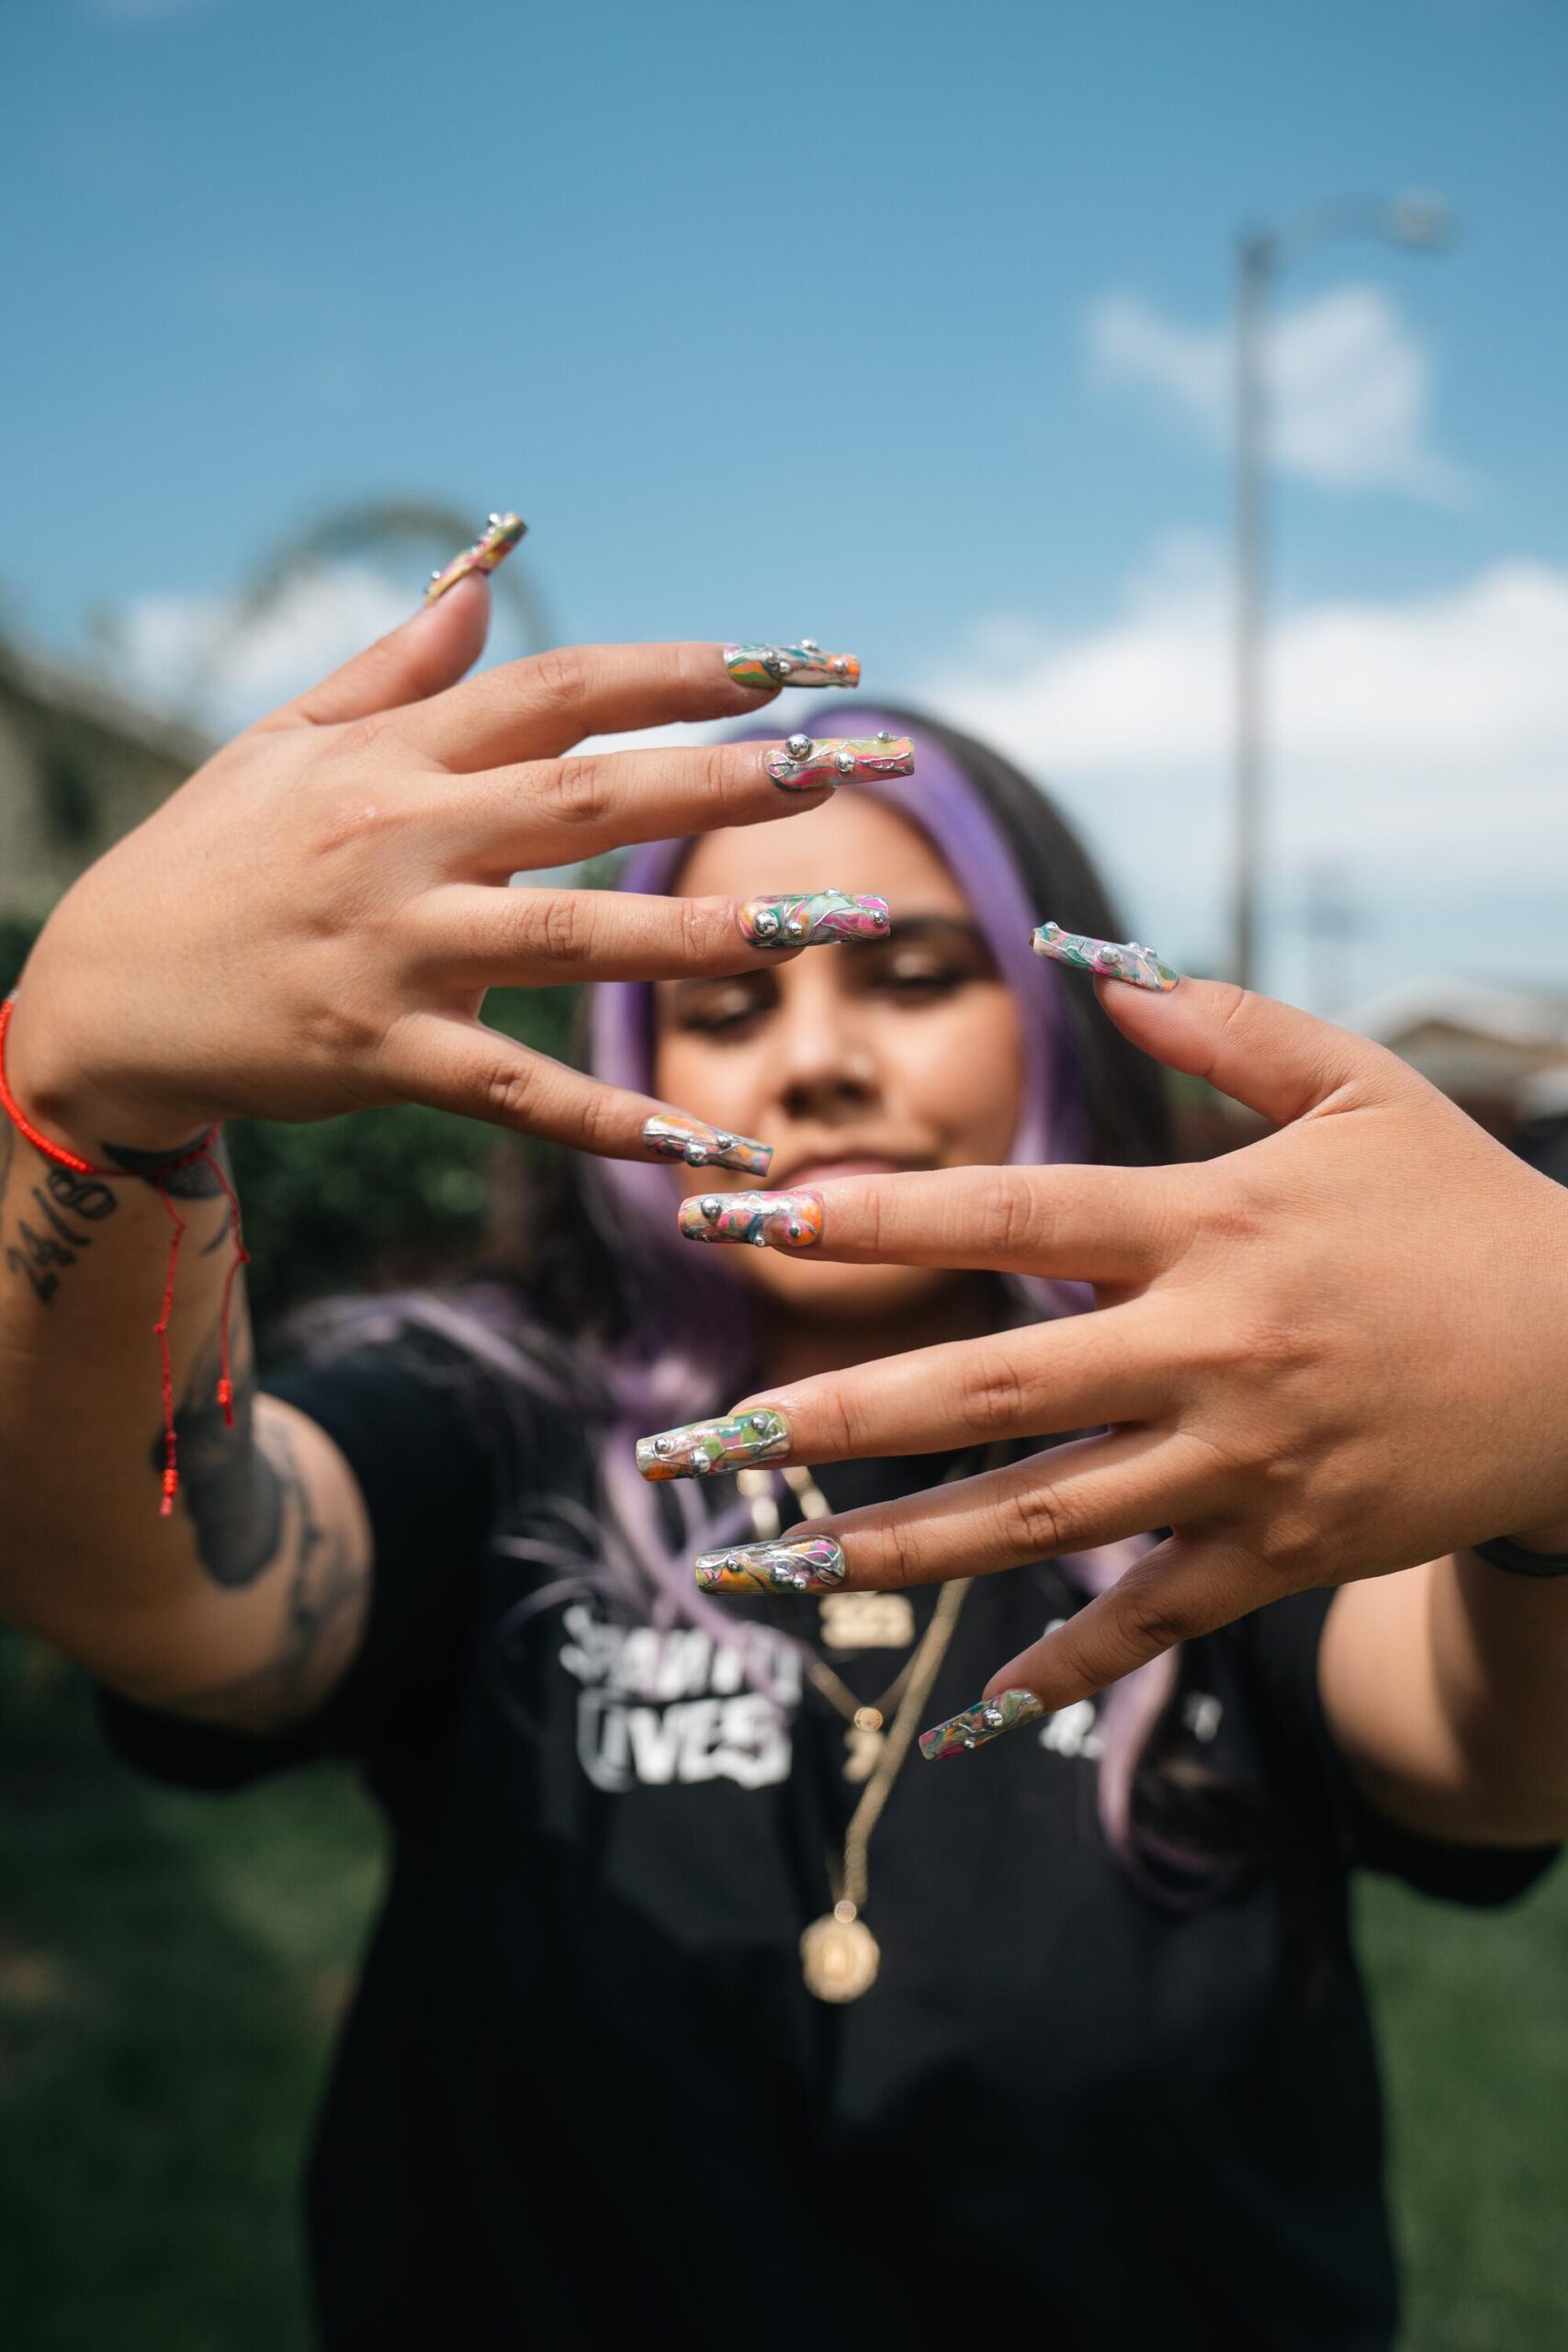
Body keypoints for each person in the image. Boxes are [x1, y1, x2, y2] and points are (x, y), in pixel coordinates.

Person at [0, 526, 1563, 2350]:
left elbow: (1482, 1753)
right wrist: (84, 1102)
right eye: (721, 999)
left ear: (1057, 1012)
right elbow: (156, 1585)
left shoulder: (1243, 1434)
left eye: (904, 976)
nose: (810, 1059)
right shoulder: (482, 1417)